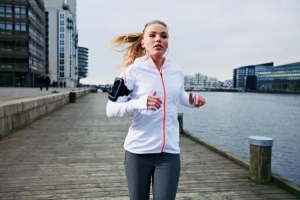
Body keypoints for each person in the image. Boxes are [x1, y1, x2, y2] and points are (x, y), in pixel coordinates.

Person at [105, 20, 206, 200]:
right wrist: (140, 103)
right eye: (152, 35)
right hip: (138, 153)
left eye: (163, 36)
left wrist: (191, 100)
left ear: (168, 42)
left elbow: (179, 95)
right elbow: (111, 109)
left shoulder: (176, 71)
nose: (158, 39)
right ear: (143, 42)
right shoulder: (132, 72)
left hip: (169, 153)